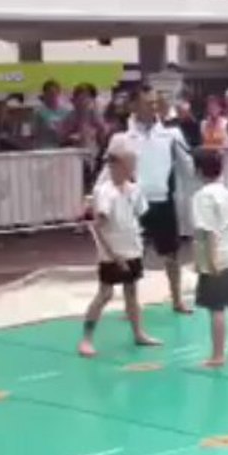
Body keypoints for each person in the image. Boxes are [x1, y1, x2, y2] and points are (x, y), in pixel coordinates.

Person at [105, 86, 194, 314]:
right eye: (147, 102)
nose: (153, 106)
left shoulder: (171, 134)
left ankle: (177, 299)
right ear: (134, 105)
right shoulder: (121, 137)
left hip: (163, 201)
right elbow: (108, 171)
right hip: (134, 203)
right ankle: (130, 306)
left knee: (172, 254)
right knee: (133, 257)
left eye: (155, 102)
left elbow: (188, 167)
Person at [77, 136, 160, 358]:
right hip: (111, 253)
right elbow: (100, 227)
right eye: (129, 163)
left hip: (131, 248)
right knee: (104, 294)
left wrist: (137, 246)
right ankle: (86, 339)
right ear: (117, 164)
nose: (132, 167)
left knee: (132, 292)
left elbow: (137, 217)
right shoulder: (105, 192)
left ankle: (138, 332)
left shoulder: (134, 189)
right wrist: (114, 255)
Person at [191, 147, 228, 368]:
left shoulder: (202, 196)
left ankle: (218, 355)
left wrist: (208, 262)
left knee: (216, 308)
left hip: (219, 256)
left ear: (198, 170)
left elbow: (207, 232)